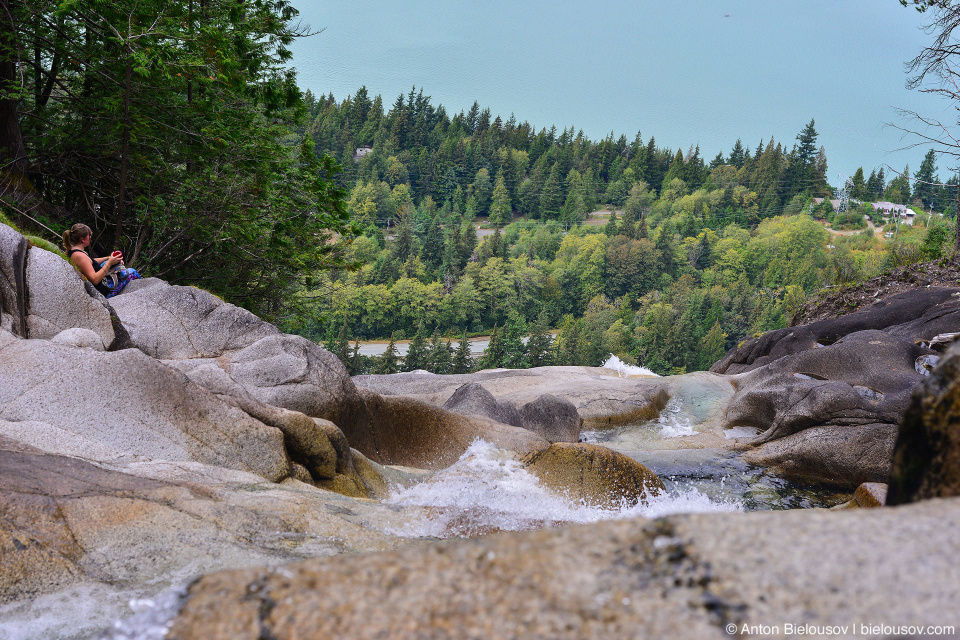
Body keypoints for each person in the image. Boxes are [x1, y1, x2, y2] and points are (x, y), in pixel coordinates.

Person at [62, 223, 141, 298]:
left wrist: (108, 258)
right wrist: (110, 263)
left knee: (111, 265)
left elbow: (91, 261)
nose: (90, 237)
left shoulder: (74, 251)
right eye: (89, 235)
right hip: (104, 292)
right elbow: (94, 279)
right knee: (132, 271)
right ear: (82, 240)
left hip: (101, 284)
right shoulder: (80, 256)